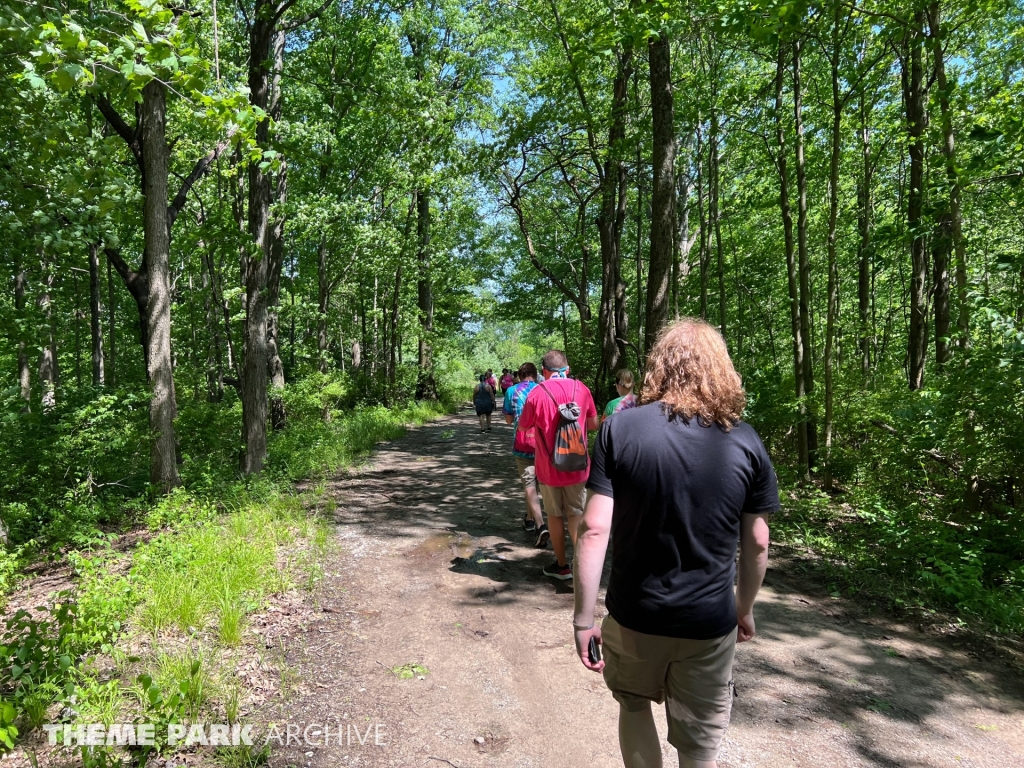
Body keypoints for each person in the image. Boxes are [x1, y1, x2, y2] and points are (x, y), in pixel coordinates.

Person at [572, 319, 778, 768]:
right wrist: (743, 608)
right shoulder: (744, 441)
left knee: (632, 704)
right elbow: (758, 542)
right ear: (721, 370)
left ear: (658, 367)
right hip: (708, 623)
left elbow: (593, 530)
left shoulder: (619, 430)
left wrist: (583, 620)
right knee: (698, 743)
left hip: (634, 616)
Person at [517, 349, 598, 580]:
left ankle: (562, 566)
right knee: (576, 514)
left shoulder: (536, 393)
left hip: (549, 468)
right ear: (567, 369)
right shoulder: (581, 388)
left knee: (554, 516)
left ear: (544, 371)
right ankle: (583, 569)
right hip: (578, 465)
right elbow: (593, 424)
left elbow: (523, 427)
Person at [503, 362, 548, 545]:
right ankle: (530, 519)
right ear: (536, 375)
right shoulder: (543, 389)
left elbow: (508, 420)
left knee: (529, 484)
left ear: (520, 375)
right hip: (544, 445)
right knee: (541, 484)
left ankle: (540, 524)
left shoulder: (511, 391)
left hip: (522, 444)